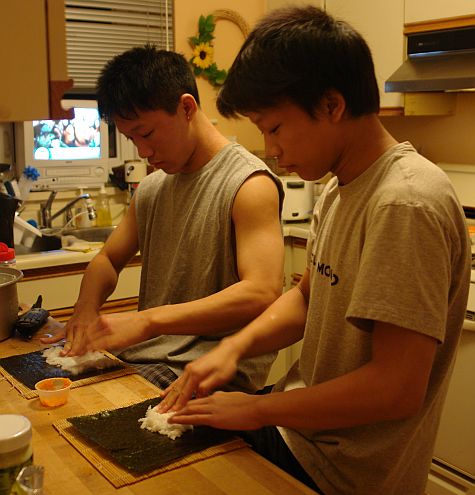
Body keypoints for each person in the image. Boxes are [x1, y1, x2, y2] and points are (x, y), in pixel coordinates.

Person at [158, 6, 471, 495]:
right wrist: (232, 349)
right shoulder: (340, 186)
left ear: (331, 105)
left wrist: (254, 408)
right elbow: (308, 296)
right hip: (302, 435)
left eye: (275, 128)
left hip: (345, 474)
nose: (271, 149)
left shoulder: (404, 202)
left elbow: (396, 388)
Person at [41, 46, 285, 394]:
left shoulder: (248, 184)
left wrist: (147, 321)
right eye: (131, 138)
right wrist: (84, 309)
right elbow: (108, 260)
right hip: (148, 358)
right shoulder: (152, 188)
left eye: (147, 133)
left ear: (186, 108)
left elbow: (261, 292)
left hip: (211, 372)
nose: (143, 152)